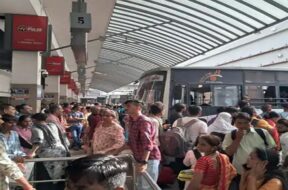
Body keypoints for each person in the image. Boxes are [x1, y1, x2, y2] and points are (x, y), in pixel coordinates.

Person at [222, 112, 276, 186]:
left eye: (245, 123)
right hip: (239, 172)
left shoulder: (262, 132)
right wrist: (238, 139)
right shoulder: (231, 135)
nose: (242, 126)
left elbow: (272, 149)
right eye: (239, 123)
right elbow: (228, 153)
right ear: (234, 123)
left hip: (261, 173)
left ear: (250, 122)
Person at [122, 99, 161, 190]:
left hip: (149, 159)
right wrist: (115, 151)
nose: (126, 108)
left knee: (146, 187)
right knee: (139, 185)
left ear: (138, 107)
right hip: (139, 158)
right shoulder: (131, 121)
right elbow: (131, 142)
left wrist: (144, 162)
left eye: (129, 106)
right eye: (126, 106)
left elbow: (147, 144)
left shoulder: (144, 121)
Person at [30, 113, 70, 190]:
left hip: (46, 154)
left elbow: (38, 139)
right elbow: (64, 137)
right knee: (60, 173)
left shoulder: (36, 128)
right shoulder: (54, 125)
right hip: (61, 151)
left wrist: (32, 153)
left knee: (47, 175)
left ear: (34, 120)